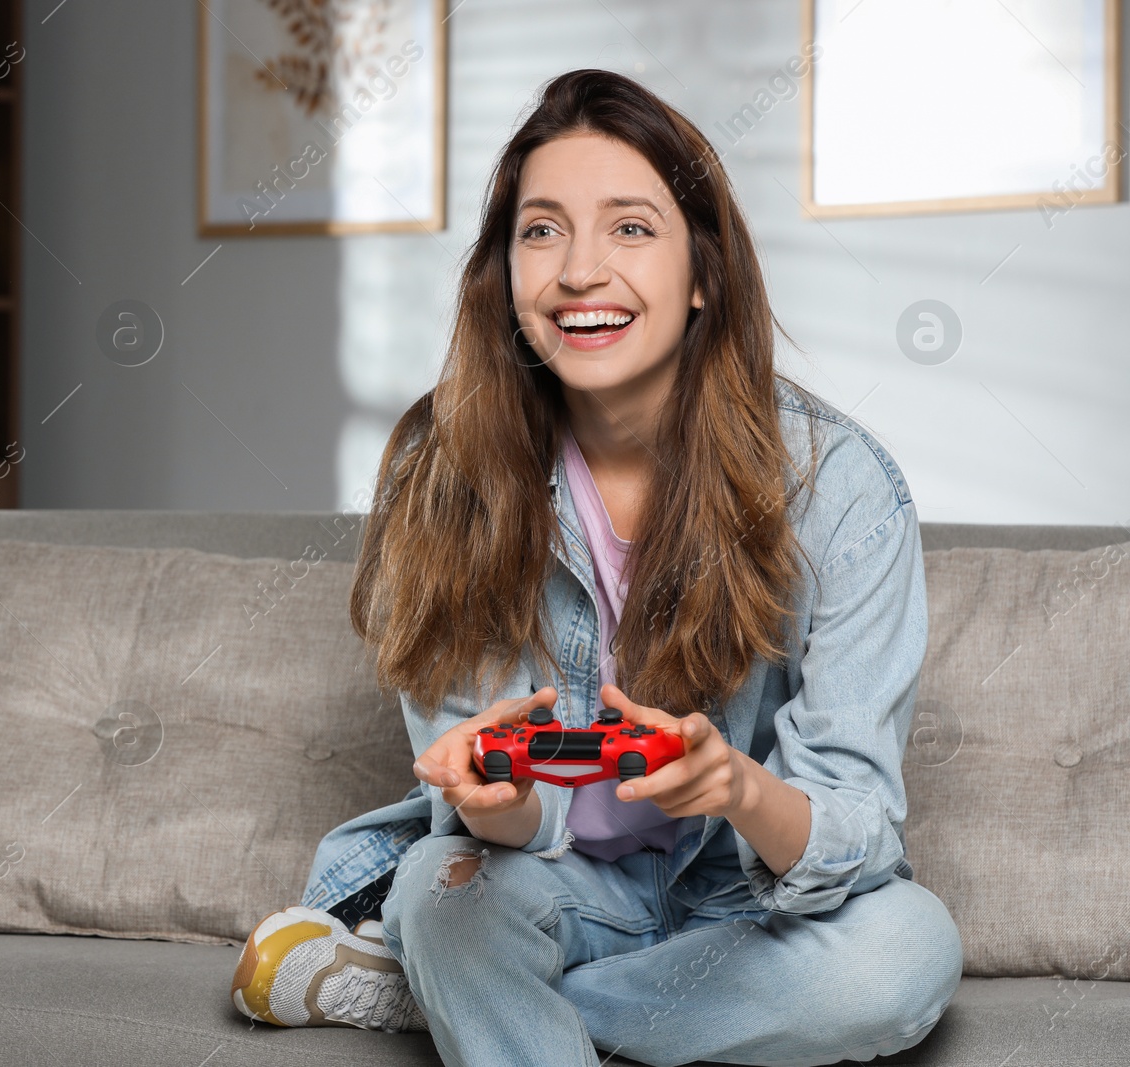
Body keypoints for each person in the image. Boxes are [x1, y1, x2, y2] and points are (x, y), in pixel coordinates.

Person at [230, 68, 963, 1067]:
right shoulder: (443, 470)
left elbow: (856, 821)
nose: (579, 270)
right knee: (444, 897)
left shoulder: (839, 488)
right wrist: (497, 799)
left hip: (739, 900)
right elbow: (480, 800)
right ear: (505, 273)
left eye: (629, 227)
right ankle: (454, 967)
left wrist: (738, 788)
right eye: (541, 230)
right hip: (543, 879)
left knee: (907, 951)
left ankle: (436, 994)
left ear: (703, 273)